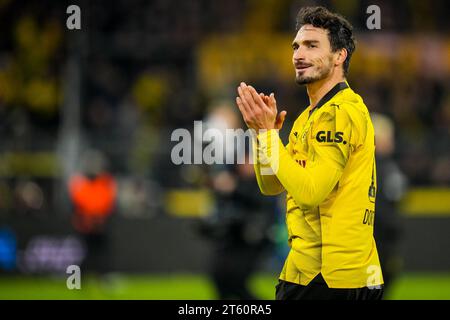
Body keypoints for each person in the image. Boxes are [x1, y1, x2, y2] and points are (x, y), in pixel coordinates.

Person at [235, 6, 384, 300]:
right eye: (296, 46)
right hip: (306, 271)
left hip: (335, 278)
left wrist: (267, 135)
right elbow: (271, 184)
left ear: (339, 56)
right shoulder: (308, 117)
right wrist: (262, 135)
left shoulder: (342, 112)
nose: (298, 54)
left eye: (312, 45)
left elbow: (310, 192)